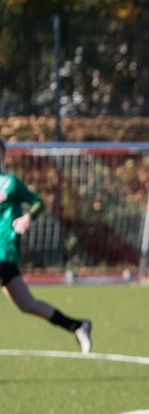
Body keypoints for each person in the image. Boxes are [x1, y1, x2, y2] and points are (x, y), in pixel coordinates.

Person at [0, 140, 92, 353]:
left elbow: (38, 202)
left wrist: (28, 217)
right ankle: (77, 326)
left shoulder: (10, 183)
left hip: (5, 251)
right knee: (28, 304)